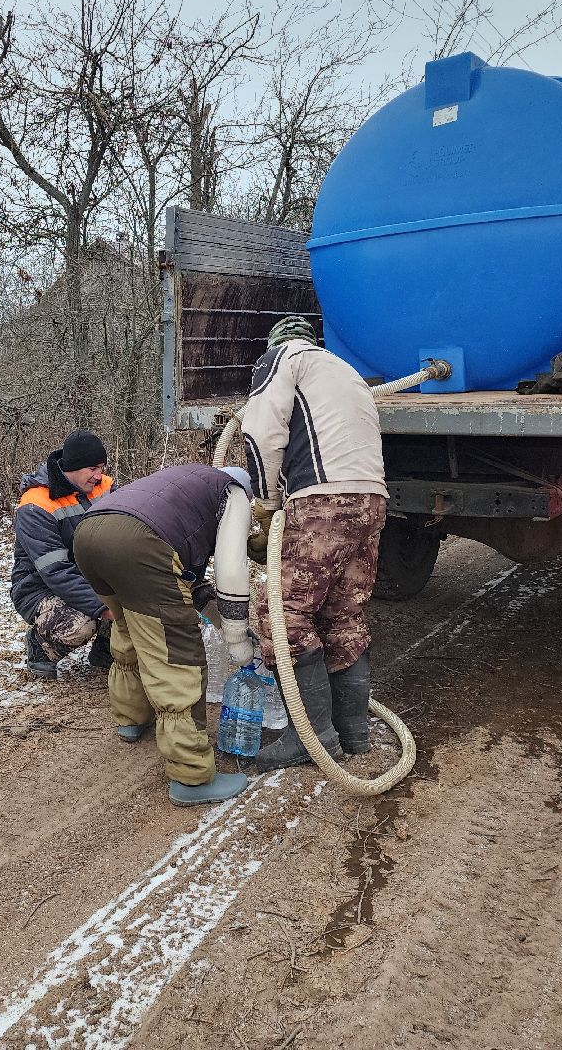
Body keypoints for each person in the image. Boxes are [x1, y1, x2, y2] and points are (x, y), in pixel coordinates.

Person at [243, 315, 388, 772]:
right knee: (342, 613)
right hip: (372, 499)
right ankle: (353, 732)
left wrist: (266, 502)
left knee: (281, 613)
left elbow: (259, 432)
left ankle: (310, 736)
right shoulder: (345, 371)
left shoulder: (282, 360)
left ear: (277, 343)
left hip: (325, 500)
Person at [72, 463, 254, 807]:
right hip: (137, 543)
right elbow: (231, 573)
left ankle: (130, 718)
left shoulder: (186, 484)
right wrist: (239, 641)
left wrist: (217, 618)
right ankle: (192, 776)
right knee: (176, 656)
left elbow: (188, 578)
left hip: (89, 535)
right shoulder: (233, 494)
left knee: (128, 628)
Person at [10, 430, 115, 679]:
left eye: (101, 467)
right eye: (93, 468)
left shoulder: (104, 486)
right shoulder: (35, 507)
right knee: (81, 624)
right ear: (73, 467)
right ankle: (41, 646)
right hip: (40, 588)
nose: (99, 475)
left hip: (88, 575)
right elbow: (56, 573)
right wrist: (103, 608)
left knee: (134, 596)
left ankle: (106, 650)